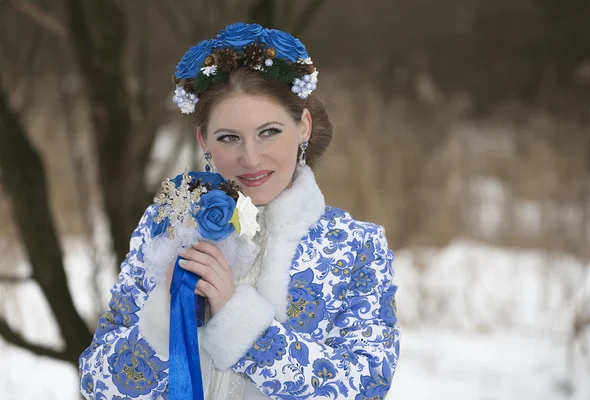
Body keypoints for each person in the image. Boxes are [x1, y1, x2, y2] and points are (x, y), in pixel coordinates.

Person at [79, 22, 400, 400]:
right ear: (204, 141)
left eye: (269, 132)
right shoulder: (167, 227)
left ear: (304, 127)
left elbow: (364, 388)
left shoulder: (356, 246)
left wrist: (238, 319)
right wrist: (167, 315)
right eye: (229, 137)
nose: (250, 157)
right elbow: (98, 384)